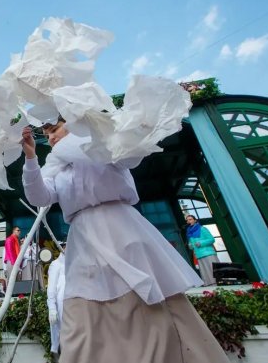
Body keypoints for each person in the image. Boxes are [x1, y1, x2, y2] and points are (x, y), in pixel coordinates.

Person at [21, 120, 230, 363]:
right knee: (80, 310)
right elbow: (39, 196)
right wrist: (30, 157)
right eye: (47, 134)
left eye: (55, 130)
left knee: (146, 309)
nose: (51, 138)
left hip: (120, 229)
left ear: (75, 123)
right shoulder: (56, 167)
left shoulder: (102, 145)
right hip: (83, 238)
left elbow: (131, 156)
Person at [186, 214, 219, 286]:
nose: (188, 221)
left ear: (195, 220)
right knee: (205, 272)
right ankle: (209, 286)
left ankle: (219, 285)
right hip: (198, 254)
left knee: (213, 270)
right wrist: (190, 245)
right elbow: (191, 245)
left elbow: (211, 239)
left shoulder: (202, 229)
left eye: (190, 219)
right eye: (187, 220)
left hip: (208, 253)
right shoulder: (189, 233)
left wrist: (201, 243)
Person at [46, 242, 66, 358]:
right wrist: (52, 308)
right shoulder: (56, 264)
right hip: (61, 305)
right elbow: (51, 289)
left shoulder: (75, 264)